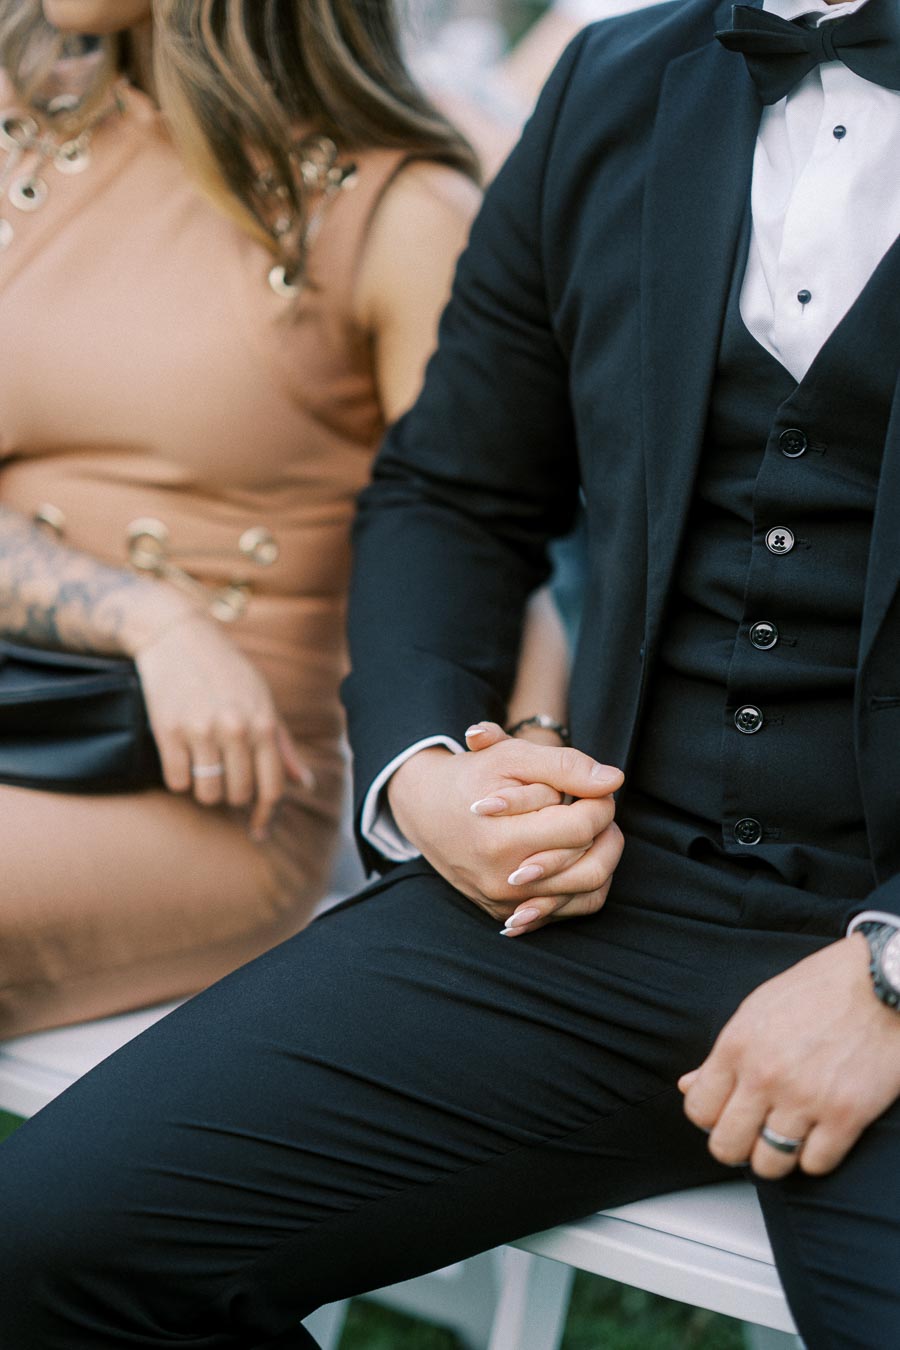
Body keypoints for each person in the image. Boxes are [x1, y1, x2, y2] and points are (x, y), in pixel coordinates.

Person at [2, 0, 900, 1345]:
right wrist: (426, 771)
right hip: (604, 893)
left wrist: (889, 969)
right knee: (47, 1251)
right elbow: (454, 490)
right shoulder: (617, 77)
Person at [0, 0, 489, 1039]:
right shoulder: (22, 132)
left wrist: (493, 816)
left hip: (196, 798)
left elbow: (481, 554)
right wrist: (147, 616)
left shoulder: (397, 213)